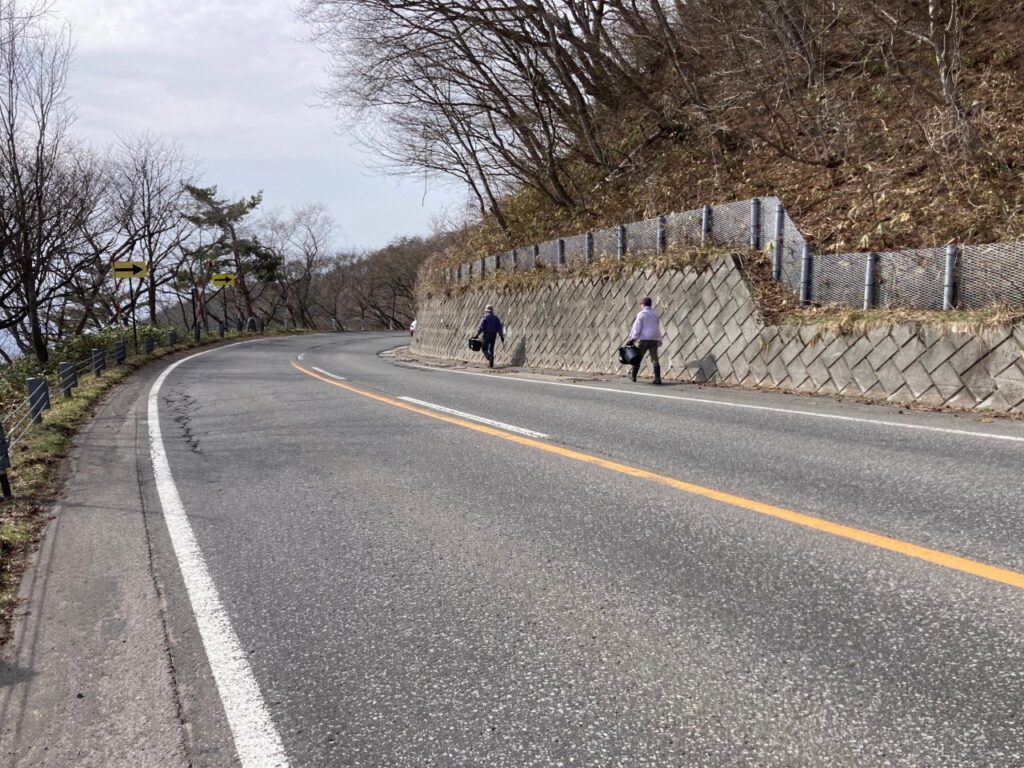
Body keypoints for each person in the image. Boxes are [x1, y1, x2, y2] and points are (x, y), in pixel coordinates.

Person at [625, 296, 663, 385]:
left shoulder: (641, 314)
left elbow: (637, 328)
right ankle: (658, 378)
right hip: (654, 339)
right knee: (654, 358)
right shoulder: (655, 314)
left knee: (637, 357)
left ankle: (633, 376)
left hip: (644, 339)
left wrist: (633, 339)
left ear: (643, 305)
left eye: (641, 304)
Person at [473, 304, 505, 368]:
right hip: (494, 335)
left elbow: (481, 327)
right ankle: (491, 364)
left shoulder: (485, 317)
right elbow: (499, 328)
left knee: (484, 348)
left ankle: (489, 357)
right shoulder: (496, 318)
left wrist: (477, 334)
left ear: (486, 310)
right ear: (492, 310)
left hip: (486, 335)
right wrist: (501, 336)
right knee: (491, 349)